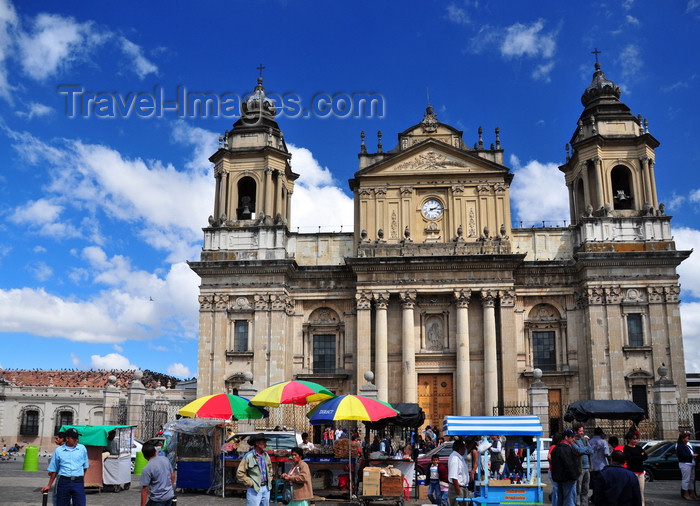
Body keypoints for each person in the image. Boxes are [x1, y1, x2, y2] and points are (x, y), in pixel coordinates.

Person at [41, 428, 89, 506]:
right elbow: (54, 469)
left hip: (78, 482)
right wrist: (49, 485)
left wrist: (82, 480)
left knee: (80, 504)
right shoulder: (59, 451)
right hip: (64, 482)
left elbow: (85, 467)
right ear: (67, 438)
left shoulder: (82, 449)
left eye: (77, 438)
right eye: (74, 438)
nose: (76, 440)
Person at [237, 433, 273, 506]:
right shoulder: (249, 456)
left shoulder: (266, 455)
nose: (265, 444)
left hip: (266, 488)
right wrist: (250, 483)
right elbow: (240, 473)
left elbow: (270, 468)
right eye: (264, 442)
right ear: (257, 443)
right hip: (255, 489)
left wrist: (270, 478)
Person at [550, 429, 580, 506]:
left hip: (559, 478)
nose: (573, 439)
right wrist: (574, 477)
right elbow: (569, 464)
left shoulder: (556, 448)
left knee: (560, 499)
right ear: (566, 437)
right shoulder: (566, 448)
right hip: (567, 479)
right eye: (572, 437)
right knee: (569, 500)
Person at [140, 441, 175, 506]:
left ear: (144, 455)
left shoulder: (147, 468)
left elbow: (145, 489)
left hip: (158, 499)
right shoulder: (165, 459)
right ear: (155, 452)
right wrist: (170, 489)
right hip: (169, 496)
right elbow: (172, 475)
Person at [622, 431, 647, 506]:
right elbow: (630, 459)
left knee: (641, 490)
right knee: (632, 490)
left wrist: (638, 457)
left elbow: (645, 456)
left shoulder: (639, 447)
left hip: (640, 471)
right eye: (634, 439)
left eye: (636, 439)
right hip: (632, 472)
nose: (636, 440)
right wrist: (640, 456)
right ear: (629, 439)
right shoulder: (626, 448)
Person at [572, 423, 594, 506]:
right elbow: (578, 450)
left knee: (585, 488)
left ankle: (584, 504)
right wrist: (585, 449)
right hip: (579, 468)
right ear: (575, 431)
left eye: (582, 431)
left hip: (587, 467)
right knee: (578, 488)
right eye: (580, 431)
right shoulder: (573, 440)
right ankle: (577, 504)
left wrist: (583, 450)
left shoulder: (584, 440)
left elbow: (591, 450)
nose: (582, 433)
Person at [588, 427, 610, 505]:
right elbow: (606, 454)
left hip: (593, 466)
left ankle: (595, 499)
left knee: (595, 485)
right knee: (603, 484)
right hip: (602, 466)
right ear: (601, 434)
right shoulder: (603, 442)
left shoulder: (590, 442)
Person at [47, 432, 67, 506]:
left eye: (57, 438)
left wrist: (49, 485)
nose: (55, 440)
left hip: (60, 476)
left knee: (56, 496)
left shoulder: (59, 450)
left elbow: (54, 468)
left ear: (62, 439)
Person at [677, 431, 698, 501]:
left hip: (691, 463)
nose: (688, 439)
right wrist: (692, 455)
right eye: (687, 438)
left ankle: (692, 493)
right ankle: (686, 494)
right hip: (685, 463)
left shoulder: (687, 445)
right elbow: (683, 455)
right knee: (686, 479)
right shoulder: (680, 446)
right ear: (683, 439)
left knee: (692, 479)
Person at [447, 439, 469, 506]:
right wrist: (458, 491)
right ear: (460, 448)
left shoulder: (459, 457)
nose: (465, 450)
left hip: (462, 487)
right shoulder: (455, 458)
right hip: (457, 487)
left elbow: (468, 450)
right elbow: (454, 477)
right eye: (464, 448)